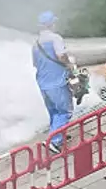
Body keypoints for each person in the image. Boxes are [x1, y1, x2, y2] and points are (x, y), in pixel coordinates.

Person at [32, 11, 76, 152]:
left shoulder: (36, 43)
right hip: (57, 82)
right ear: (50, 24)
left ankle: (59, 134)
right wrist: (69, 65)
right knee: (65, 111)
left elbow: (35, 64)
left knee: (54, 111)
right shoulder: (55, 38)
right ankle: (54, 141)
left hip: (43, 83)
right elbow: (61, 55)